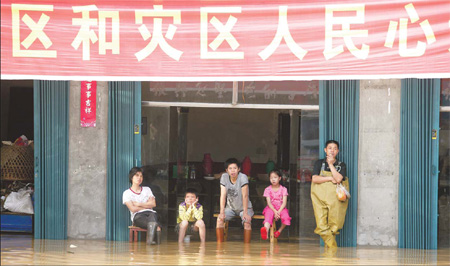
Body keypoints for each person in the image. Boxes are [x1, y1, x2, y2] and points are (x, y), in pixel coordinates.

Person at [311, 140, 349, 250]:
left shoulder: (341, 165)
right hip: (319, 197)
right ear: (325, 150)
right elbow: (314, 178)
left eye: (335, 148)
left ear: (338, 151)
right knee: (321, 224)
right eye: (330, 148)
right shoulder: (319, 163)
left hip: (335, 199)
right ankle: (333, 247)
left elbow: (338, 179)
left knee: (335, 224)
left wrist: (331, 165)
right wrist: (329, 178)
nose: (332, 150)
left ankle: (330, 251)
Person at [216, 158, 254, 243]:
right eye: (230, 168)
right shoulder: (224, 177)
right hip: (231, 208)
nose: (233, 171)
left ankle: (247, 248)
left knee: (247, 222)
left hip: (245, 207)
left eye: (235, 168)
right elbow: (223, 195)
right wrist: (222, 212)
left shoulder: (243, 177)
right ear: (226, 170)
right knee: (219, 220)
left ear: (239, 169)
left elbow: (245, 196)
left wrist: (245, 212)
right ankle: (219, 246)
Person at [122, 167, 161, 245]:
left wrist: (139, 204)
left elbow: (153, 204)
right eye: (137, 175)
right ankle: (154, 248)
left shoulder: (147, 190)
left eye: (141, 176)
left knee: (153, 216)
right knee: (156, 226)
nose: (139, 178)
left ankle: (150, 243)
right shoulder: (127, 193)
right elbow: (133, 209)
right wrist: (147, 205)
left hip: (151, 213)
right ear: (131, 177)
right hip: (138, 216)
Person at [260, 169, 291, 240]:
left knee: (286, 217)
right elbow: (269, 202)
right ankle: (265, 231)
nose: (273, 180)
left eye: (275, 177)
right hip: (270, 208)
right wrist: (274, 211)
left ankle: (279, 231)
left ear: (279, 178)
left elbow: (284, 203)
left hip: (281, 208)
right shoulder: (267, 189)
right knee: (268, 217)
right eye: (271, 178)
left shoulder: (284, 189)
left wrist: (278, 212)